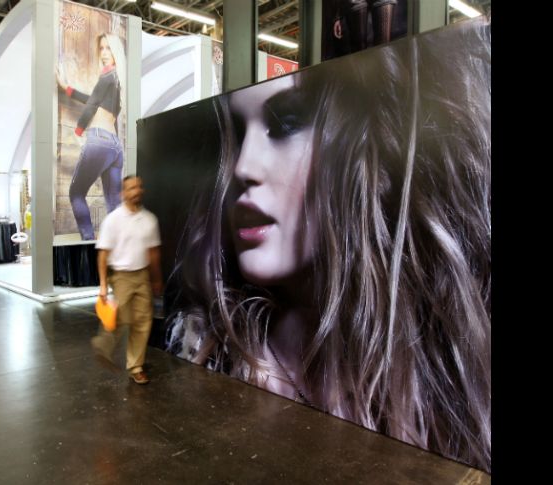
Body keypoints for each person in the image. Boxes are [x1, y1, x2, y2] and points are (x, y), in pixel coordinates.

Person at [164, 18, 491, 472]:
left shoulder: (446, 389)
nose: (243, 166)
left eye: (286, 122)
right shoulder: (206, 353)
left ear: (372, 150)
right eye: (237, 135)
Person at [92, 175, 162, 385]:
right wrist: (103, 285)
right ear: (123, 193)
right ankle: (103, 344)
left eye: (139, 187)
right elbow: (103, 254)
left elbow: (153, 253)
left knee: (142, 321)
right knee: (121, 317)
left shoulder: (149, 220)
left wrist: (156, 279)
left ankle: (136, 366)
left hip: (142, 276)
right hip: (121, 276)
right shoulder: (113, 220)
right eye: (131, 188)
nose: (136, 191)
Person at [56, 33, 126, 240]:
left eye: (108, 48)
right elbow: (93, 99)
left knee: (76, 193)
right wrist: (67, 89)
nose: (104, 53)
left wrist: (78, 130)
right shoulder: (118, 80)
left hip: (99, 140)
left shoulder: (107, 76)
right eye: (101, 48)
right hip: (115, 147)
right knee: (114, 205)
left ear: (116, 52)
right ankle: (119, 246)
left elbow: (92, 105)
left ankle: (88, 243)